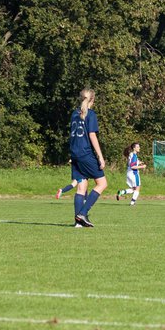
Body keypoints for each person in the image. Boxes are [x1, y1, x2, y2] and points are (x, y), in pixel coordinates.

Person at [69, 88, 107, 228]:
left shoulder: (74, 114)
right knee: (102, 183)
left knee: (81, 187)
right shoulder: (90, 114)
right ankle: (82, 214)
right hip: (85, 153)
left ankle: (78, 223)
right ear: (93, 99)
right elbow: (92, 135)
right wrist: (100, 157)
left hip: (75, 153)